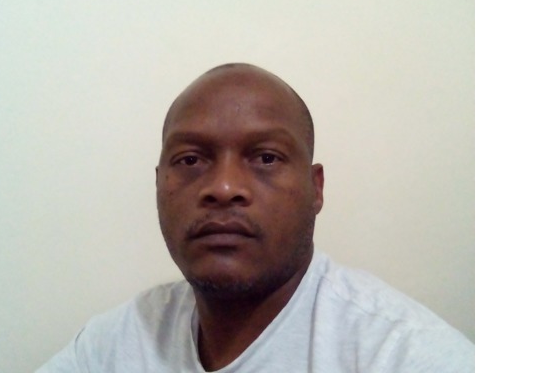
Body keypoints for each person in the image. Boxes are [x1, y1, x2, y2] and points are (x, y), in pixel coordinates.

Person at [37, 63, 474, 372]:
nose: (224, 187)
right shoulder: (115, 344)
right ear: (158, 184)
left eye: (266, 157)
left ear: (316, 189)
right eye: (190, 160)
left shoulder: (403, 354)